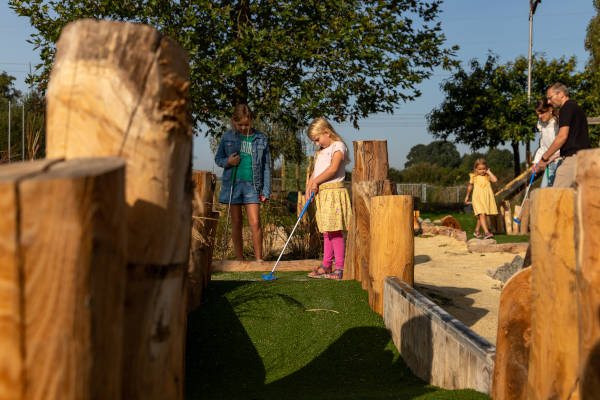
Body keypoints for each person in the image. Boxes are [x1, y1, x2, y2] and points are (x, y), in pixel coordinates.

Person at [215, 104, 271, 261]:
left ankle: (259, 260)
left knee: (255, 222)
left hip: (253, 186)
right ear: (234, 121)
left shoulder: (261, 138)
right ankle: (240, 260)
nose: (244, 128)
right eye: (240, 125)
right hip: (234, 185)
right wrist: (229, 161)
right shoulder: (227, 137)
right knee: (236, 223)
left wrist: (266, 190)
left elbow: (266, 166)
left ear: (251, 121)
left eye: (247, 124)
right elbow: (218, 159)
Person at [305, 118, 352, 280]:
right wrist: (308, 189)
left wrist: (316, 182)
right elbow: (314, 174)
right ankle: (326, 265)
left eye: (317, 140)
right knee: (327, 232)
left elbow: (332, 170)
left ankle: (340, 268)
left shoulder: (338, 147)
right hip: (322, 195)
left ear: (327, 132)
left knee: (335, 231)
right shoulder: (320, 152)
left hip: (333, 194)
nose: (317, 144)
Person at [536, 82, 591, 188]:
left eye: (550, 97)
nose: (548, 101)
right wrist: (554, 156)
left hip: (573, 160)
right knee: (577, 199)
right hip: (585, 158)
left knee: (557, 197)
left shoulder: (566, 108)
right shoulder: (576, 107)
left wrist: (544, 158)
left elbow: (562, 137)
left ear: (561, 94)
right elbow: (575, 141)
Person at [464, 158, 498, 239]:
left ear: (486, 168)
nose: (482, 171)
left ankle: (477, 231)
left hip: (486, 198)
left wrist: (489, 172)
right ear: (476, 169)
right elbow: (470, 186)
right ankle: (486, 233)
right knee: (481, 214)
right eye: (480, 169)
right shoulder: (474, 176)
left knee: (483, 215)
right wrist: (467, 196)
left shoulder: (487, 176)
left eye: (484, 169)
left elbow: (495, 180)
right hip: (477, 198)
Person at [532, 98, 561, 187]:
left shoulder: (559, 122)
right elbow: (543, 146)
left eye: (542, 113)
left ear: (550, 109)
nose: (539, 116)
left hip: (561, 163)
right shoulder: (541, 123)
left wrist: (554, 157)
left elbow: (567, 145)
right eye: (538, 114)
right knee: (543, 191)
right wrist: (536, 162)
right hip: (550, 164)